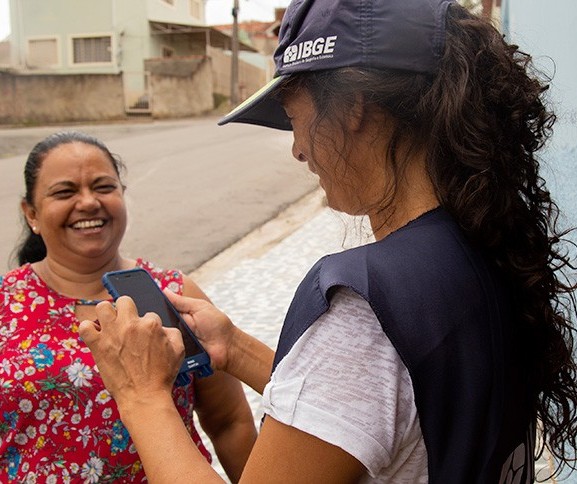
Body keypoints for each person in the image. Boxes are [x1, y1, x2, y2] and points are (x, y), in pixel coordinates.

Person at [79, 0, 577, 482]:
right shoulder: (483, 244)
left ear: (353, 107)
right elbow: (370, 411)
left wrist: (142, 397)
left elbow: (365, 372)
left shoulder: (367, 305)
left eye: (295, 119)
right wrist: (234, 348)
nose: (297, 149)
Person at [0, 131, 257, 483]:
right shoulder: (6, 302)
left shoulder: (175, 294)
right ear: (31, 212)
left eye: (104, 187)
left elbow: (229, 421)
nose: (89, 202)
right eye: (65, 192)